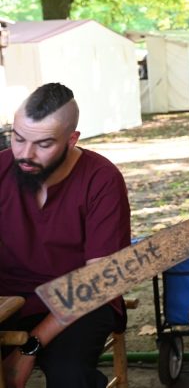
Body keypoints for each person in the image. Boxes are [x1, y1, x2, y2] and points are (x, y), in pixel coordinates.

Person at [0, 83, 131, 388]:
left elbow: (98, 280)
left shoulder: (101, 179)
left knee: (69, 375)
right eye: (18, 139)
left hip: (83, 303)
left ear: (72, 140)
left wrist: (29, 347)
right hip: (9, 299)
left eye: (43, 144)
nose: (25, 154)